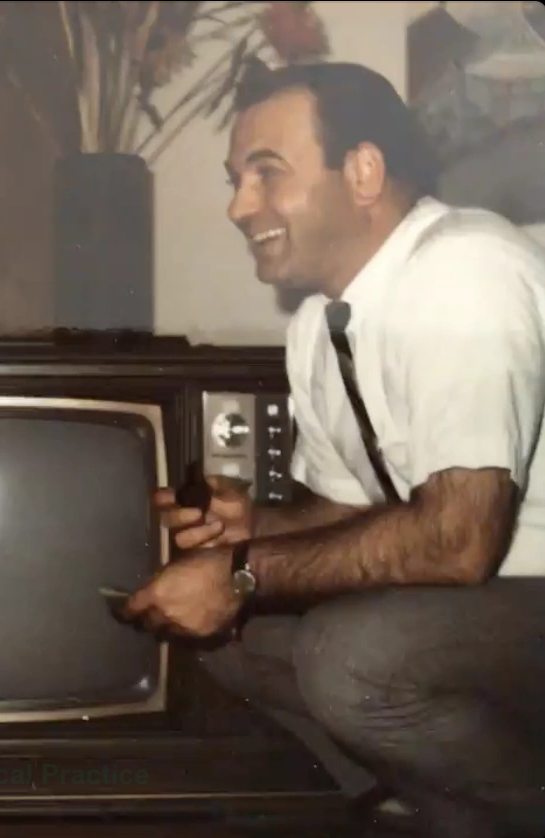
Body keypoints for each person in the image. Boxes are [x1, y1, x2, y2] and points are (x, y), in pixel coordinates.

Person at [123, 61, 545, 838]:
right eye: (236, 181)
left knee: (350, 656)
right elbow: (354, 514)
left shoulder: (462, 272)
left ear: (363, 171)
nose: (237, 206)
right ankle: (449, 818)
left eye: (266, 173)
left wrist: (242, 572)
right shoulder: (320, 326)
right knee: (233, 643)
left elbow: (458, 541)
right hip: (489, 600)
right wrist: (251, 529)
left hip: (520, 583)